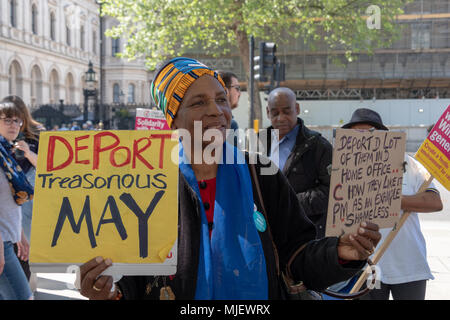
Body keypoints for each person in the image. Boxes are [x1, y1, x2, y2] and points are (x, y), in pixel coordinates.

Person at [78, 57, 381, 300]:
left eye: (221, 99)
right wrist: (108, 293)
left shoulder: (262, 175)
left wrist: (340, 252)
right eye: (198, 103)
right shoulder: (147, 183)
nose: (217, 111)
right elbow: (132, 277)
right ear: (174, 118)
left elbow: (297, 256)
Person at [342, 108, 443, 300]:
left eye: (370, 132)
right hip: (368, 267)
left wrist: (388, 198)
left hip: (409, 267)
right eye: (358, 133)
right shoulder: (346, 168)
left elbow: (435, 202)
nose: (364, 138)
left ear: (383, 135)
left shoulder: (409, 164)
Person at [263, 87, 332, 238]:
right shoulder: (258, 143)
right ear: (268, 112)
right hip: (269, 234)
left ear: (297, 108)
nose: (281, 118)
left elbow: (331, 191)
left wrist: (290, 203)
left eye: (287, 111)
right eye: (275, 113)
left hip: (305, 234)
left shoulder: (319, 146)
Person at [1, 96, 42, 290]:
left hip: (24, 204)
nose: (13, 124)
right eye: (7, 119)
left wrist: (27, 152)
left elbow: (48, 167)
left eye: (15, 120)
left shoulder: (35, 136)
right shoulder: (4, 148)